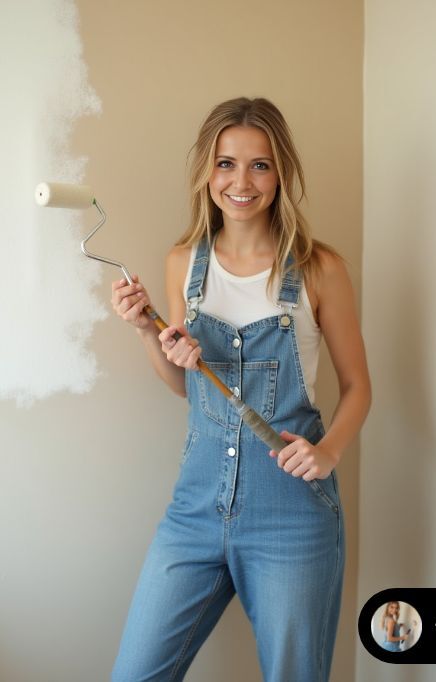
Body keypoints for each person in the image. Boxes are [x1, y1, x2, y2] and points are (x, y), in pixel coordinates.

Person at [110, 96, 371, 682]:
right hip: (195, 509)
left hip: (292, 516)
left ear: (281, 174)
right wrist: (149, 332)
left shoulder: (319, 268)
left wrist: (328, 453)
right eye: (226, 164)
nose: (242, 182)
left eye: (260, 165)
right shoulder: (183, 263)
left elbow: (358, 386)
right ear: (208, 172)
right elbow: (188, 387)